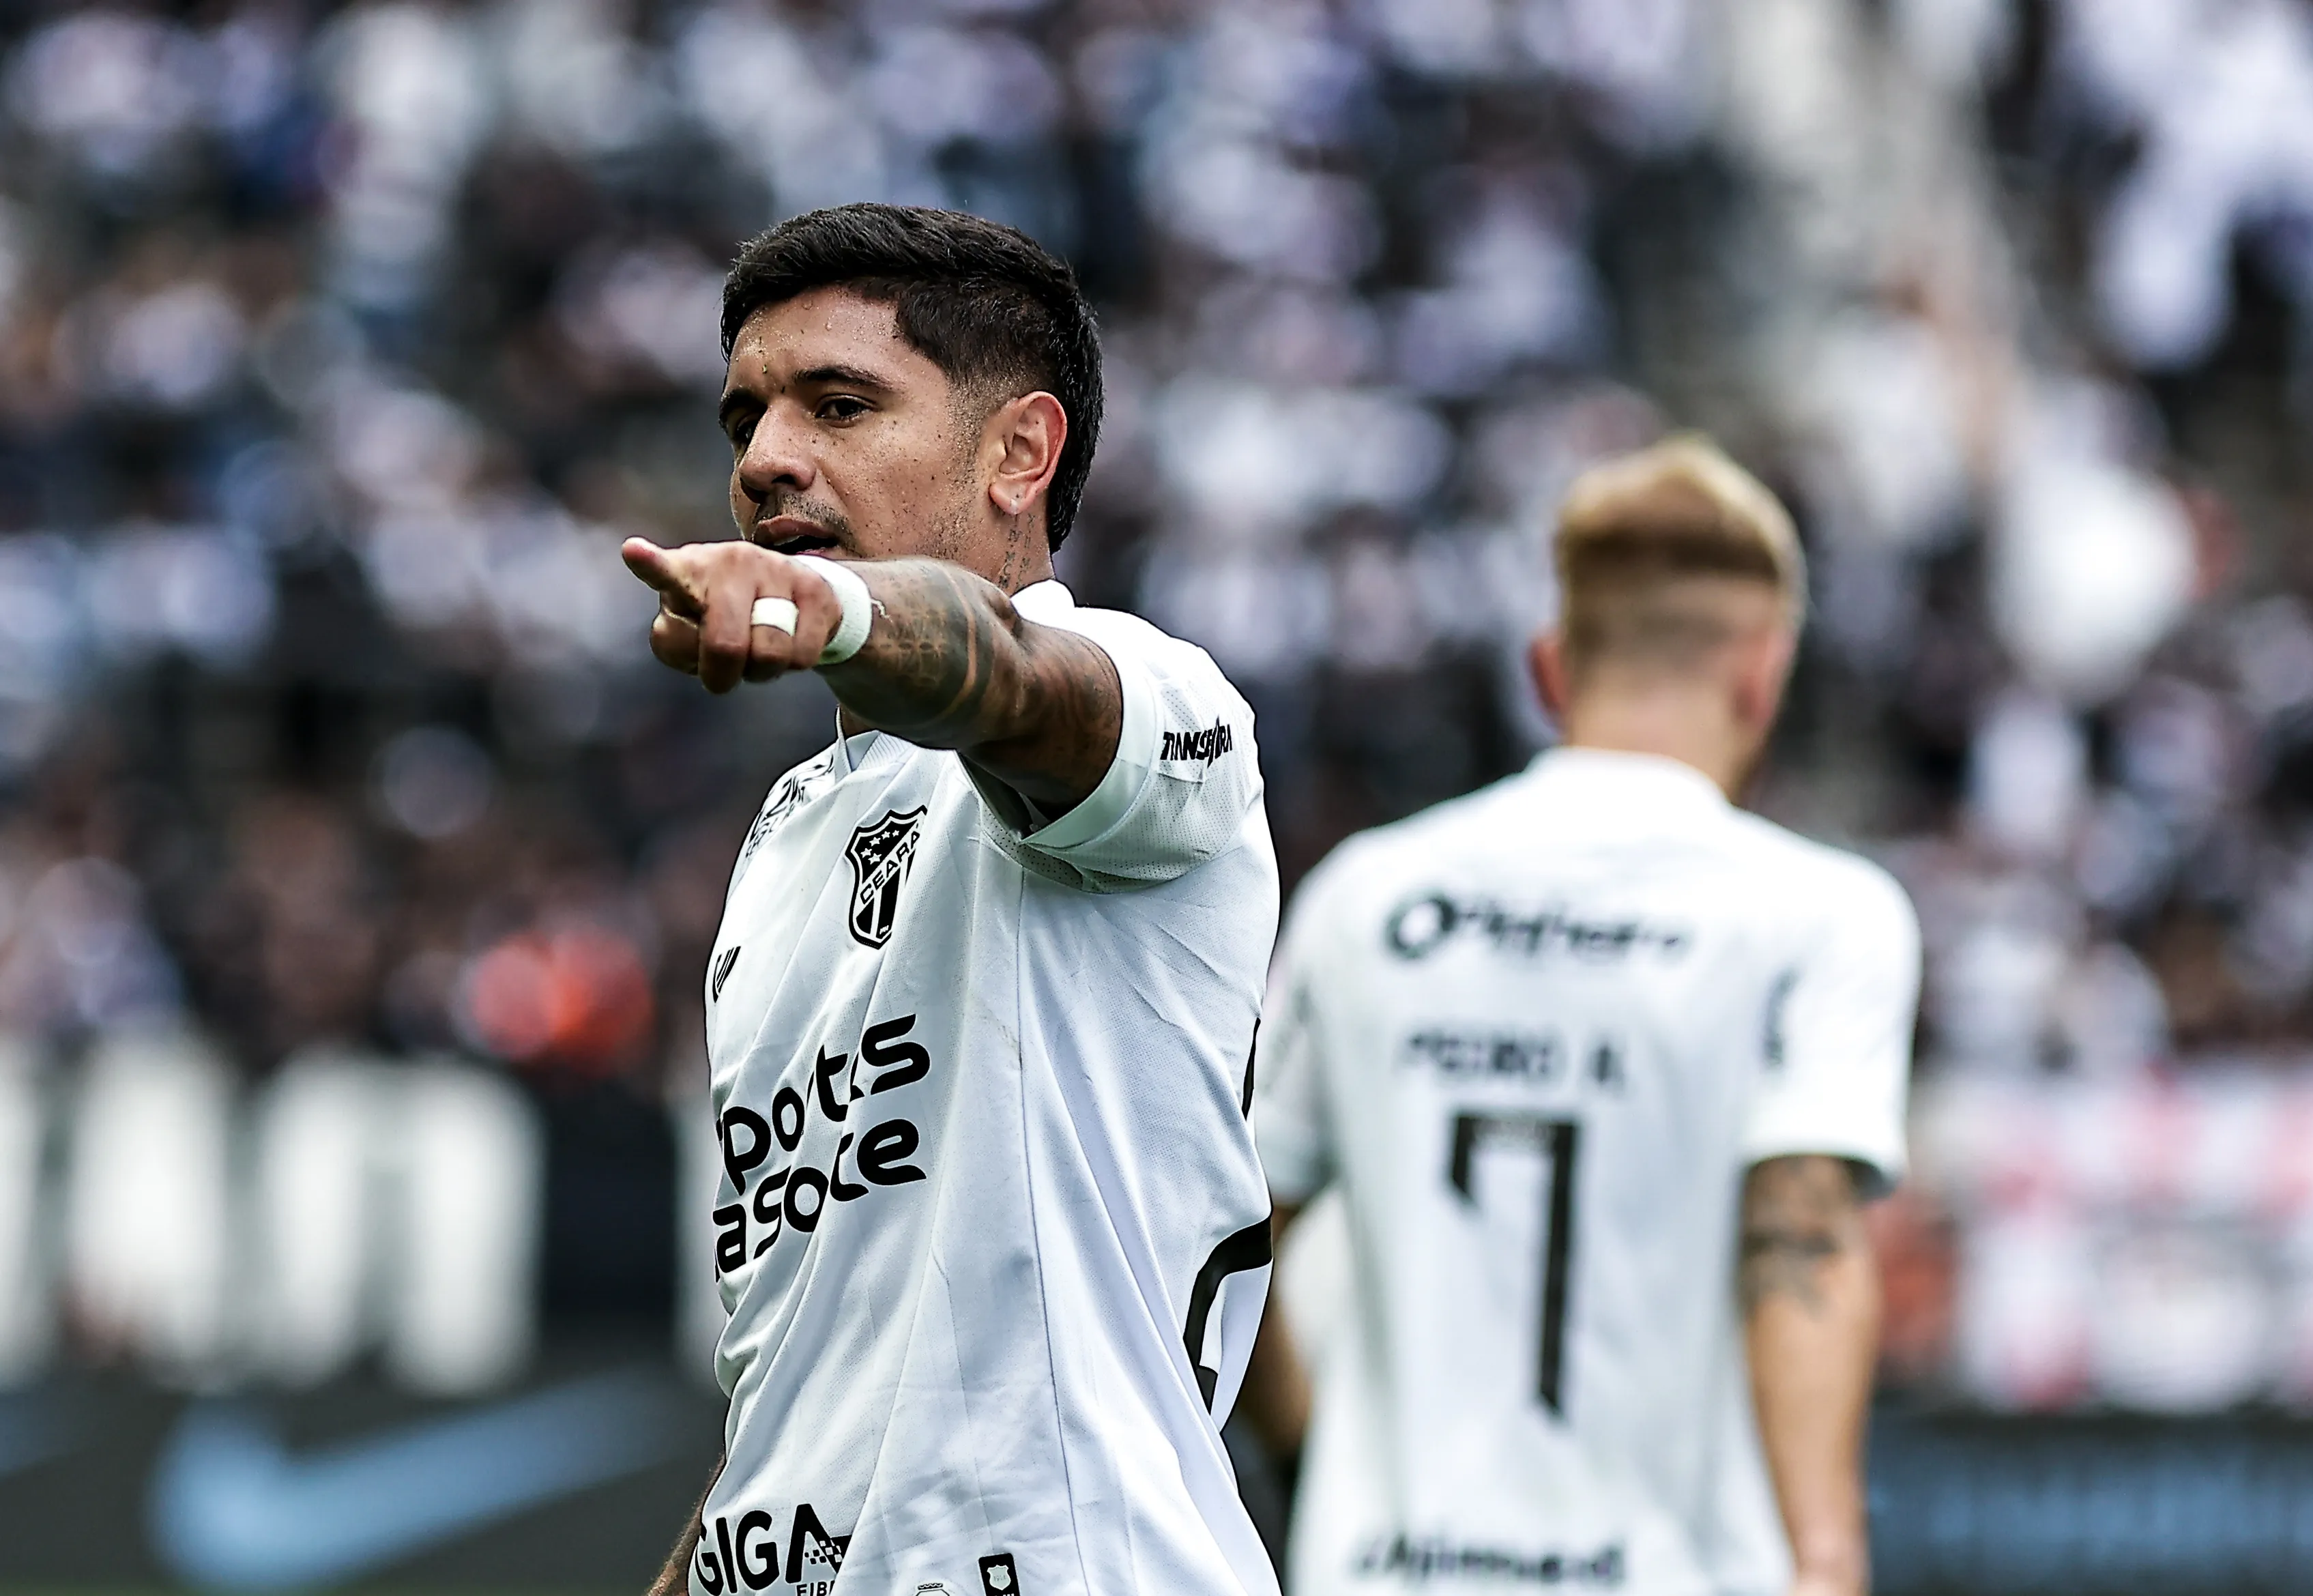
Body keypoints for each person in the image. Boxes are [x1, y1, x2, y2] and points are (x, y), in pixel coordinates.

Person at [628, 204, 1281, 1596]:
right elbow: (802, 1370)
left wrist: (842, 618)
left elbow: (1006, 680)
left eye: (840, 404)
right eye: (745, 415)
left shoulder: (1140, 687)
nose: (763, 460)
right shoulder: (790, 834)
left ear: (1018, 453)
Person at [1242, 439, 1921, 1596]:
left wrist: (1306, 1443)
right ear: (1763, 675)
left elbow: (1233, 1222)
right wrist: (1826, 1557)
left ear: (1550, 668)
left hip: (1385, 1569)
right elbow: (1800, 1228)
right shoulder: (1821, 913)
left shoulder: (1371, 895)